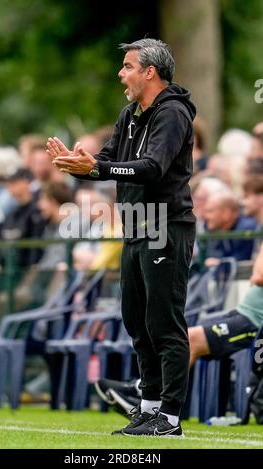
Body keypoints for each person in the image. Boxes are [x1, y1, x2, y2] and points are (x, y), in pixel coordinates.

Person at [47, 38, 196, 437]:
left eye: (128, 66)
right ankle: (148, 408)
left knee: (164, 323)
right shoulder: (130, 113)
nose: (121, 73)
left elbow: (152, 168)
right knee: (137, 322)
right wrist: (80, 167)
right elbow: (109, 163)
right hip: (134, 226)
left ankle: (170, 417)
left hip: (165, 226)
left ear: (150, 72)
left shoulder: (174, 113)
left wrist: (98, 167)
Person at [96, 243, 263, 418]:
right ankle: (146, 392)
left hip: (254, 321)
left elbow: (258, 277)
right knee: (180, 335)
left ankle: (151, 397)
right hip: (243, 313)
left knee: (189, 340)